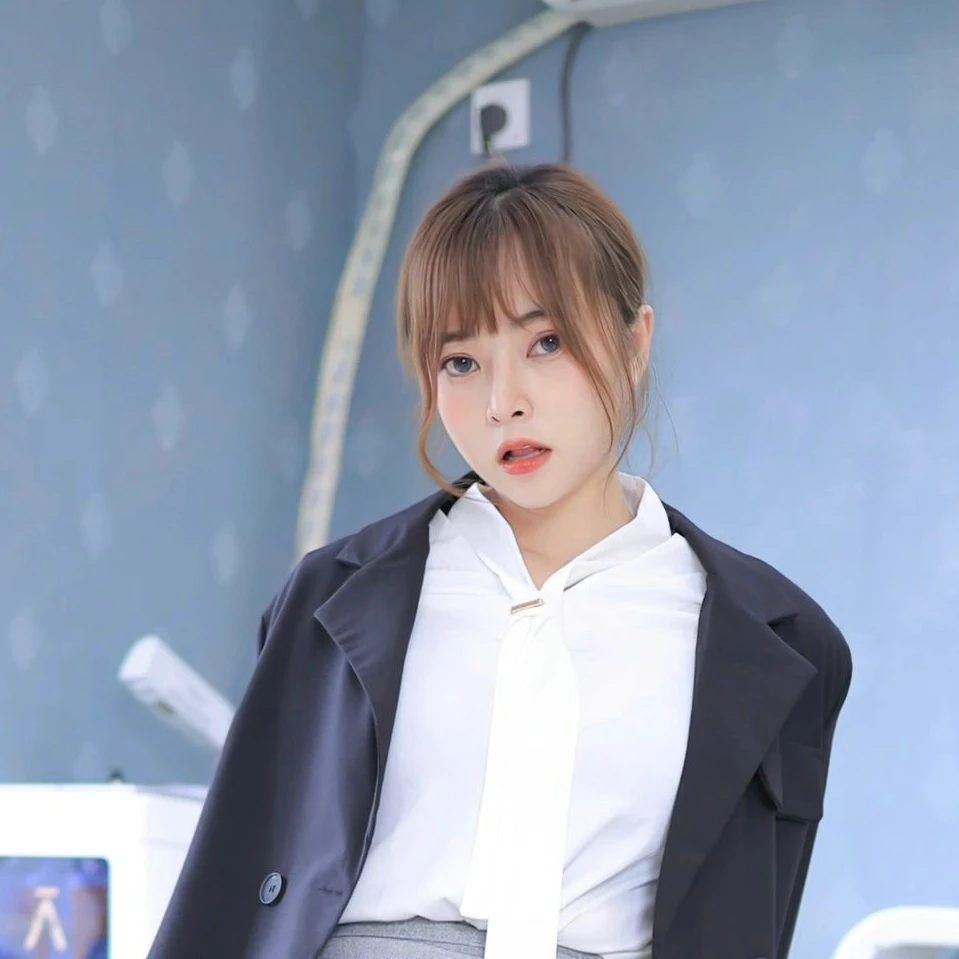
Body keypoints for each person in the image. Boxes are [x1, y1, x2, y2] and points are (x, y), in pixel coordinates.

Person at [147, 162, 852, 959]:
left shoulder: (779, 643)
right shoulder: (329, 599)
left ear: (634, 342)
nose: (501, 401)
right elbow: (233, 892)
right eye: (460, 361)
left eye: (546, 342)